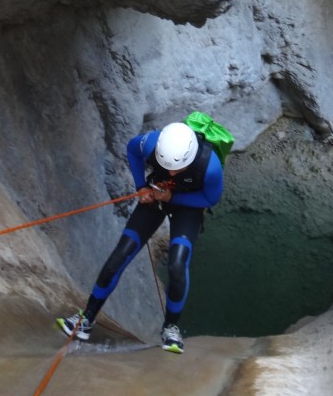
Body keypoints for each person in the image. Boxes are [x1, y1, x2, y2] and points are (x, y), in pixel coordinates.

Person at [57, 121, 224, 353]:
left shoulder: (210, 166)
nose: (172, 172)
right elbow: (132, 150)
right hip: (155, 195)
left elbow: (210, 199)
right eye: (168, 166)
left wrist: (171, 198)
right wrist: (141, 187)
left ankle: (171, 328)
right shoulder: (152, 143)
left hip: (188, 206)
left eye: (178, 169)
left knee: (177, 264)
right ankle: (86, 319)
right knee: (121, 254)